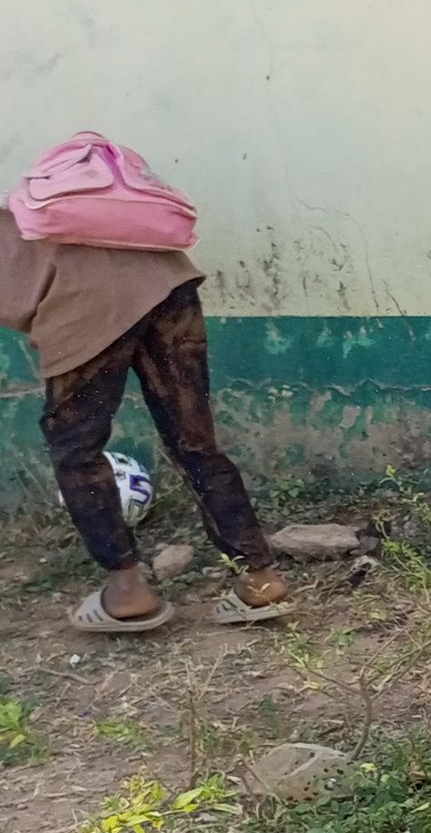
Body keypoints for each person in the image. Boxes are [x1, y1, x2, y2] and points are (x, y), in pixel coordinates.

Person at [0, 203, 289, 632]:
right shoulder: (37, 205)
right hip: (166, 279)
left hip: (85, 297)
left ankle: (127, 590)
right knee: (193, 440)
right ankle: (260, 578)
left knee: (75, 449)